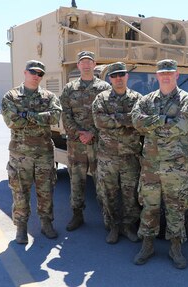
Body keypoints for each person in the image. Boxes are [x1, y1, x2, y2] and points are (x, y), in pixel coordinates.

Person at [131, 59, 188, 269]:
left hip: (176, 166)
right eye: (162, 73)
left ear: (176, 75)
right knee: (149, 206)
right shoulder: (146, 100)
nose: (166, 76)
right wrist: (164, 120)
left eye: (170, 72)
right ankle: (147, 245)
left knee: (176, 208)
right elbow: (137, 122)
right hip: (151, 164)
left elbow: (182, 125)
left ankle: (175, 247)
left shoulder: (186, 100)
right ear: (157, 76)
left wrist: (153, 124)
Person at [1, 60, 62, 244]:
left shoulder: (49, 96)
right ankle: (21, 228)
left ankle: (46, 223)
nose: (36, 76)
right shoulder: (11, 96)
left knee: (46, 191)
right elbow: (12, 122)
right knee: (20, 192)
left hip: (44, 153)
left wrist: (26, 115)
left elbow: (55, 116)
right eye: (33, 72)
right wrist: (40, 118)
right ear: (25, 72)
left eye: (40, 73)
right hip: (20, 154)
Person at [60, 51, 111, 231]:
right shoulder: (69, 88)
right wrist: (78, 132)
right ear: (78, 65)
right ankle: (77, 215)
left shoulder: (105, 88)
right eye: (83, 62)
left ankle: (108, 218)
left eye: (90, 61)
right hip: (76, 144)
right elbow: (65, 114)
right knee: (76, 181)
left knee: (102, 182)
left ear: (95, 64)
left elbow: (108, 114)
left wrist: (93, 133)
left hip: (99, 144)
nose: (87, 65)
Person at [92, 62, 142, 244]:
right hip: (108, 157)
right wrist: (125, 120)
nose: (118, 78)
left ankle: (128, 226)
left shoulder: (137, 99)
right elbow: (99, 121)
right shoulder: (102, 99)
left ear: (127, 76)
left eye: (121, 74)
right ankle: (113, 226)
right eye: (114, 76)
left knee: (131, 195)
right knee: (108, 193)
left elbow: (139, 121)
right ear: (110, 79)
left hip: (130, 156)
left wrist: (113, 120)